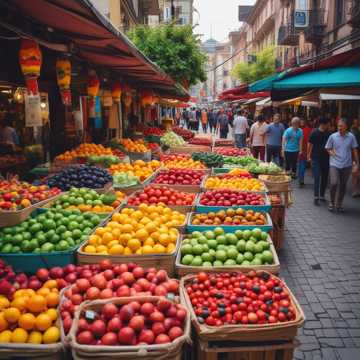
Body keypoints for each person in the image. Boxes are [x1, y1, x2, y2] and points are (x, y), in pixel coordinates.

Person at [325, 118, 359, 212]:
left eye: (341, 126)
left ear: (346, 127)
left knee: (343, 185)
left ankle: (339, 203)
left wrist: (357, 163)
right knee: (334, 183)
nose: (339, 128)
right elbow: (328, 148)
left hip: (346, 165)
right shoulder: (333, 136)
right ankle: (332, 201)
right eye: (338, 126)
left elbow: (354, 150)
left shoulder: (351, 137)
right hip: (334, 163)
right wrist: (331, 153)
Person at [307, 117, 331, 206]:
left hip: (326, 158)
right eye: (327, 124)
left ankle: (322, 195)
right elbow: (310, 144)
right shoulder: (314, 132)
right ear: (322, 124)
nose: (328, 126)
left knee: (324, 177)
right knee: (317, 177)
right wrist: (308, 156)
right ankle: (316, 197)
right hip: (315, 158)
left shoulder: (329, 134)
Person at [298, 119, 312, 187]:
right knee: (302, 165)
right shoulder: (309, 130)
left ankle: (300, 179)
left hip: (299, 150)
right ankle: (301, 180)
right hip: (304, 150)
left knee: (300, 165)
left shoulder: (297, 129)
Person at [351, 118, 360, 197]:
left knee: (356, 172)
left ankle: (356, 189)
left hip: (356, 153)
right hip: (355, 154)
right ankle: (354, 190)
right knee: (355, 172)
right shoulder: (353, 132)